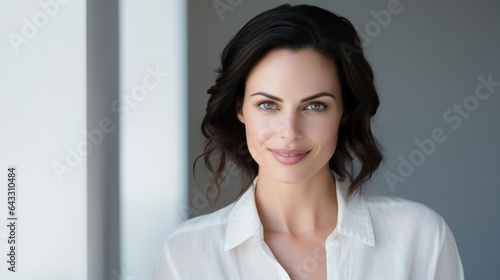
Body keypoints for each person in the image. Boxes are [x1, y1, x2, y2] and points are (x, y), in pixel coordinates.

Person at [153, 4, 464, 280]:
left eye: (315, 106)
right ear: (240, 109)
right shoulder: (186, 254)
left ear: (345, 110)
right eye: (268, 105)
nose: (289, 131)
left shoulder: (420, 237)